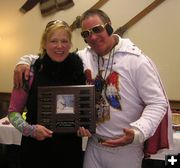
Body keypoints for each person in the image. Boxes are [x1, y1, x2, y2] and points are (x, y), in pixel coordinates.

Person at [13, 9, 173, 168]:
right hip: (92, 146)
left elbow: (158, 103)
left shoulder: (137, 61)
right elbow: (53, 56)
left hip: (125, 149)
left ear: (109, 26)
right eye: (86, 34)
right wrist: (24, 61)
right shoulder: (84, 57)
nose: (93, 37)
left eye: (97, 29)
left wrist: (138, 132)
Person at [8, 20, 86, 168]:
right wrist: (30, 130)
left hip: (69, 151)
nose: (59, 46)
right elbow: (13, 113)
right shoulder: (28, 73)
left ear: (70, 44)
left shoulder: (79, 72)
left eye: (64, 41)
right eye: (53, 41)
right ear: (44, 43)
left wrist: (84, 125)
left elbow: (82, 111)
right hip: (36, 151)